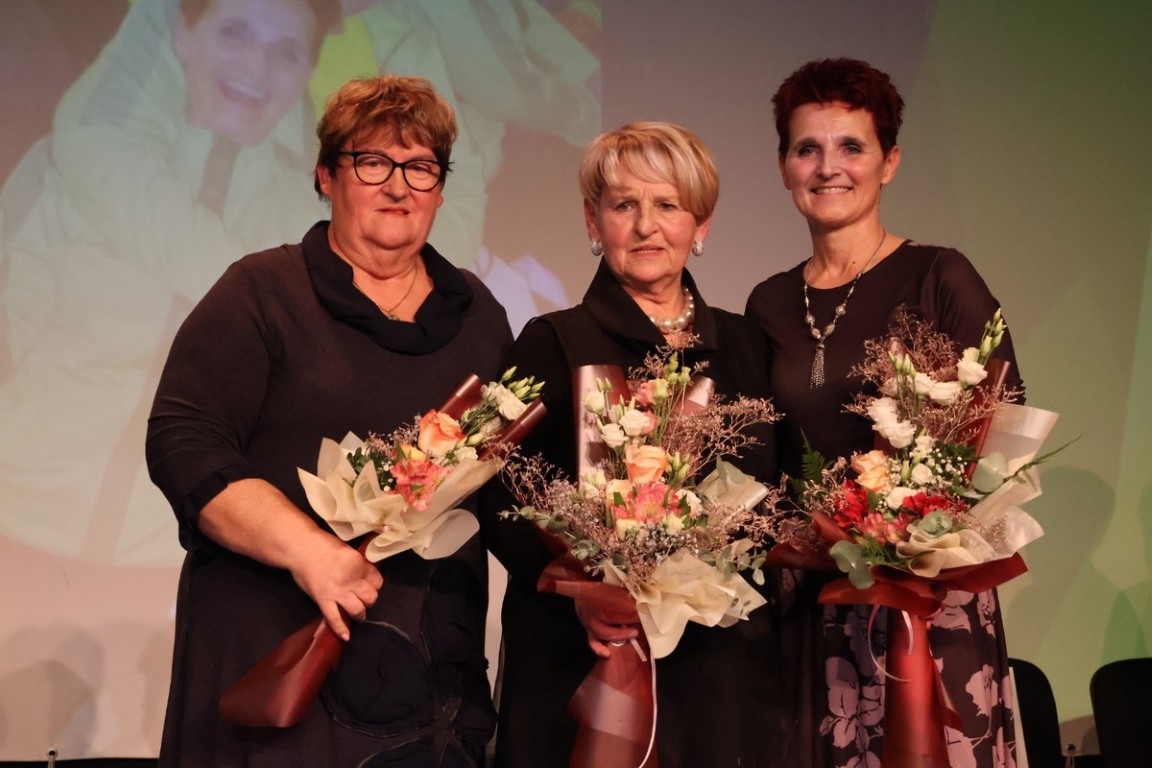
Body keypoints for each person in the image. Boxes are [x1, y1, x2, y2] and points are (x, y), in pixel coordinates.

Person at [146, 74, 511, 767]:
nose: (398, 186)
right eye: (372, 162)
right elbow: (183, 445)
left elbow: (506, 488)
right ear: (325, 175)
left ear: (440, 187)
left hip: (429, 680)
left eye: (421, 167)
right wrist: (310, 551)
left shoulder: (478, 316)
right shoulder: (261, 293)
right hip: (278, 658)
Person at [480, 121, 794, 767]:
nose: (646, 226)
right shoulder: (552, 341)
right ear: (593, 222)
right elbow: (496, 494)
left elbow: (773, 496)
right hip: (584, 656)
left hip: (720, 670)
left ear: (701, 224)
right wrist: (581, 594)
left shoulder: (746, 345)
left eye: (668, 205)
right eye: (624, 205)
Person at [744, 58, 1025, 768]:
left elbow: (999, 437)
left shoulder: (939, 275)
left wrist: (907, 533)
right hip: (812, 605)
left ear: (889, 162)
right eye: (807, 148)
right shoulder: (767, 302)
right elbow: (762, 463)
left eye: (852, 146)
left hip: (926, 605)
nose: (827, 167)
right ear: (783, 167)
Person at [0, 0, 339, 565]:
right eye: (235, 33)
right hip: (17, 521)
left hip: (181, 560)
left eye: (286, 52)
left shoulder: (308, 232)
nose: (257, 67)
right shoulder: (69, 169)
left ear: (308, 73)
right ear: (182, 35)